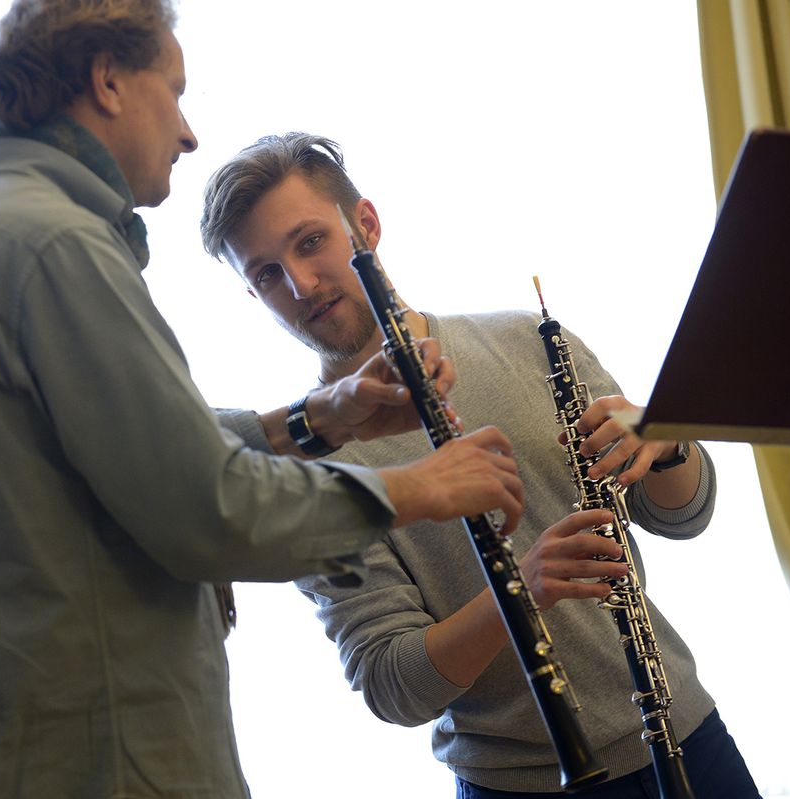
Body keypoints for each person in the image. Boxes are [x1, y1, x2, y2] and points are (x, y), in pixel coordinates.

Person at [0, 4, 526, 797]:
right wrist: (421, 485)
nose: (188, 134)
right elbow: (205, 506)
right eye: (175, 91)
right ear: (108, 81)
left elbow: (118, 461)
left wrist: (315, 421)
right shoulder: (56, 246)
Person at [200, 132, 761, 798]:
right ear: (252, 293)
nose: (300, 283)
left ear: (366, 224)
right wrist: (521, 591)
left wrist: (665, 446)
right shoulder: (298, 470)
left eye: (311, 241)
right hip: (520, 784)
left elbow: (683, 515)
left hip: (691, 734)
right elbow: (394, 685)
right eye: (267, 273)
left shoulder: (525, 339)